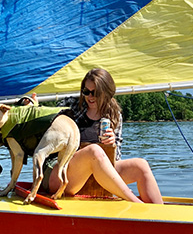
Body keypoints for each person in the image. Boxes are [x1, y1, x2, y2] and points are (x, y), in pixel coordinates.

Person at [44, 68, 163, 204]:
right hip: (61, 172)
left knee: (141, 166)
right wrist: (31, 105)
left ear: (106, 92)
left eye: (95, 93)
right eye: (86, 91)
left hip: (93, 176)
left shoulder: (114, 115)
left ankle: (159, 215)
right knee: (93, 151)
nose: (90, 96)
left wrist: (112, 145)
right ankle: (135, 202)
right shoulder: (71, 105)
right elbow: (46, 118)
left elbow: (114, 160)